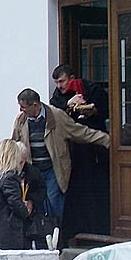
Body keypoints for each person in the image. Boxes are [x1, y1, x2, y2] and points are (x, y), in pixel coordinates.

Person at [12, 88, 109, 230]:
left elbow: (80, 132)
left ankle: (56, 235)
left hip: (53, 170)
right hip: (32, 171)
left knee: (54, 203)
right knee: (35, 203)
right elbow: (14, 145)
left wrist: (107, 140)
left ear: (35, 105)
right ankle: (40, 236)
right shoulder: (21, 120)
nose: (21, 110)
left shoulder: (56, 116)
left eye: (24, 107)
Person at [49, 64, 111, 241]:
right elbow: (54, 110)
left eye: (62, 81)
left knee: (98, 190)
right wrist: (68, 104)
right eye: (57, 83)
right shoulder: (58, 96)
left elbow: (105, 109)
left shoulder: (92, 89)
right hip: (75, 153)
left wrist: (90, 110)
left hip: (96, 151)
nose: (60, 86)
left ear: (72, 78)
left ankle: (101, 229)